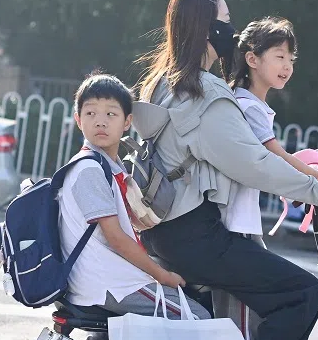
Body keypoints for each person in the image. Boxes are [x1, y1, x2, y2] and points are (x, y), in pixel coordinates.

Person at [136, 0, 318, 340]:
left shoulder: (162, 83)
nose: (231, 32)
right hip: (195, 235)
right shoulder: (204, 96)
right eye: (224, 22)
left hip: (164, 229)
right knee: (303, 292)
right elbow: (255, 164)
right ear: (204, 27)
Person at [57, 71, 210, 322]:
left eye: (111, 114)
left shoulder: (108, 165)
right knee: (197, 317)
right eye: (91, 113)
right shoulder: (89, 170)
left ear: (127, 122)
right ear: (78, 119)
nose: (100, 121)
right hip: (106, 282)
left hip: (104, 276)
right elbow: (116, 238)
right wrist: (162, 275)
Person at [224, 16, 318, 240]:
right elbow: (277, 157)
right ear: (253, 59)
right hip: (235, 223)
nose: (287, 66)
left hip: (239, 220)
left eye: (291, 60)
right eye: (280, 57)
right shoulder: (249, 108)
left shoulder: (245, 102)